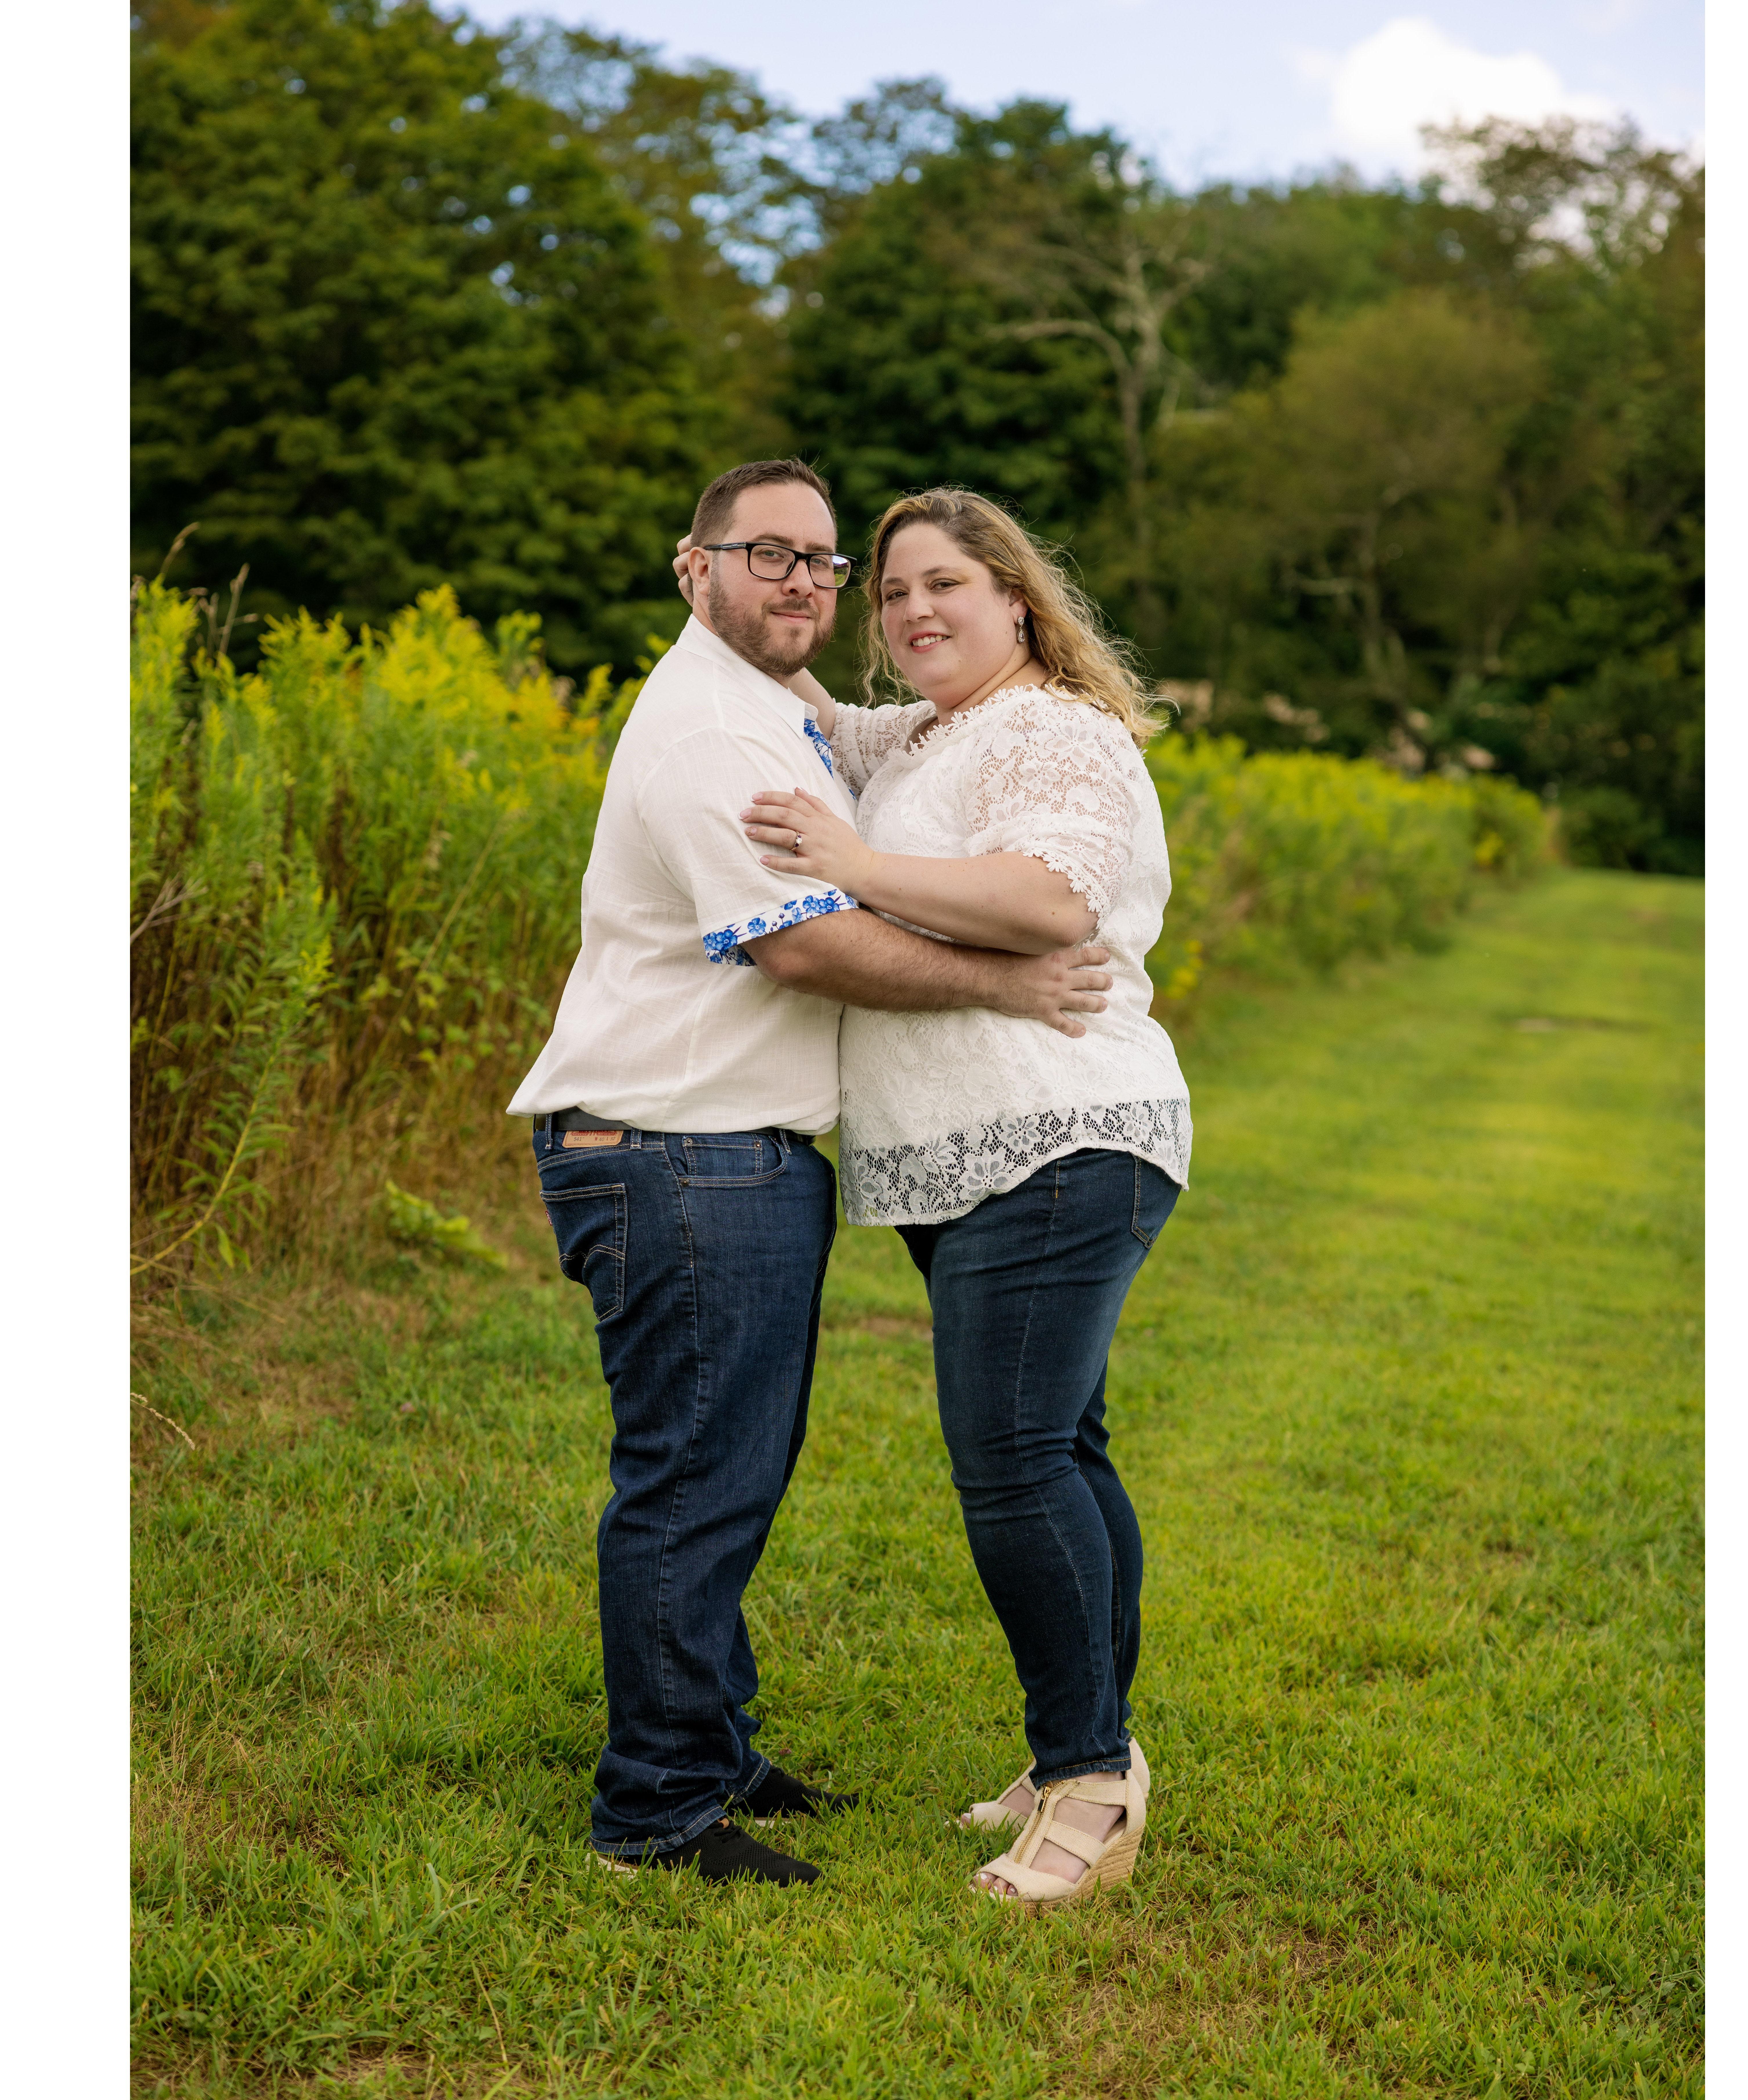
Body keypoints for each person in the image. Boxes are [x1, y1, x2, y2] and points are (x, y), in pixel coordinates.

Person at [507, 459, 1117, 1887]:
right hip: (675, 1148)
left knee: (733, 1467)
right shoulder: (711, 733)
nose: (804, 581)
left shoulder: (782, 711)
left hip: (728, 1151)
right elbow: (802, 941)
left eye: (824, 562)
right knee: (694, 1482)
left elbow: (949, 730)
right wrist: (1008, 985)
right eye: (768, 552)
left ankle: (706, 1742)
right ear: (693, 565)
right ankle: (655, 1810)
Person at [735, 487, 1191, 1909]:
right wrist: (753, 576)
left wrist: (857, 865)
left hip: (1055, 1135)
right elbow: (780, 671)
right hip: (978, 1147)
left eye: (948, 583)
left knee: (1011, 1462)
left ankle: (1091, 1778)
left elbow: (1054, 898)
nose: (915, 611)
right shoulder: (931, 732)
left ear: (1017, 599)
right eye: (891, 592)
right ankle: (1092, 1747)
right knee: (1064, 1445)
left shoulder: (1054, 725)